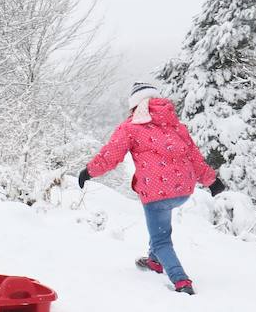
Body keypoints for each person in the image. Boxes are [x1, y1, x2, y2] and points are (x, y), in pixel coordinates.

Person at [77, 82, 226, 295]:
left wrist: (89, 172)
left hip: (156, 194)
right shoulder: (176, 126)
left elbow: (111, 155)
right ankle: (155, 261)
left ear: (136, 106)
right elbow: (194, 157)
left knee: (161, 239)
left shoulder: (130, 127)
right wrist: (212, 181)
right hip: (183, 189)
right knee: (161, 225)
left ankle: (181, 280)